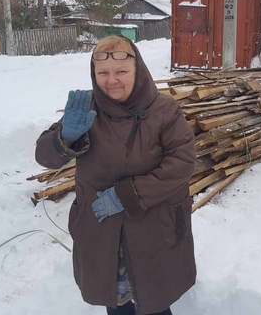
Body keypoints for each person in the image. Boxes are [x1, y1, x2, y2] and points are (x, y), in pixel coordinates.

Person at [35, 35, 197, 315]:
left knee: (154, 304)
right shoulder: (86, 109)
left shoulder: (164, 110)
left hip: (154, 232)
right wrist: (64, 138)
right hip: (102, 234)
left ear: (138, 70)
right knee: (116, 303)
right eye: (103, 73)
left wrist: (128, 195)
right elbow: (44, 157)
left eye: (121, 72)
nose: (112, 81)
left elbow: (182, 163)